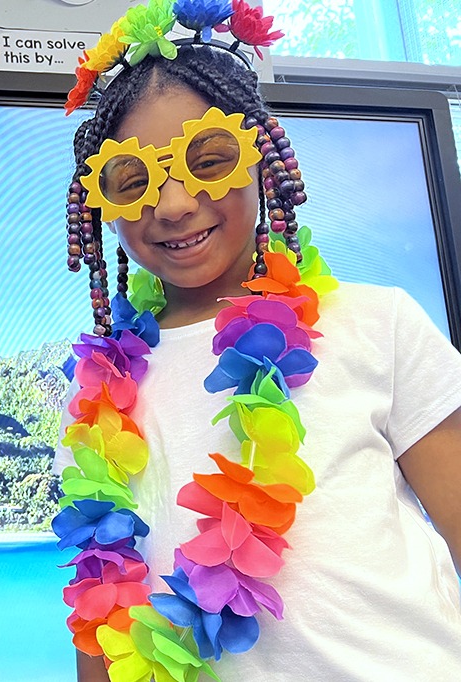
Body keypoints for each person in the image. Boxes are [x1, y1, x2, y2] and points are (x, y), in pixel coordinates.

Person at [50, 1, 461, 680]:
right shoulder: (99, 394)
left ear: (261, 158)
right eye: (133, 180)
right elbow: (101, 603)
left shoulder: (377, 322)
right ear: (101, 208)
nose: (175, 203)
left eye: (207, 160)